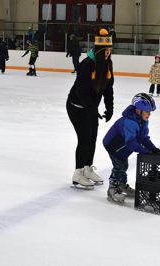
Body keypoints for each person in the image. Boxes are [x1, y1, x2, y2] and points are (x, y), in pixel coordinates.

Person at [66, 29, 114, 189]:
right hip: (76, 107)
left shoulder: (107, 64)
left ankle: (87, 168)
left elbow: (108, 88)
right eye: (106, 52)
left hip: (91, 108)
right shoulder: (86, 65)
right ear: (100, 51)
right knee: (85, 137)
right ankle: (78, 173)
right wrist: (92, 109)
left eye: (110, 51)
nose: (108, 55)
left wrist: (109, 108)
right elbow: (81, 92)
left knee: (92, 137)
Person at [103, 93, 159, 203]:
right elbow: (131, 143)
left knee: (124, 165)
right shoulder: (129, 122)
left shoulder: (143, 121)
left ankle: (122, 185)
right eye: (147, 112)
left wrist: (152, 148)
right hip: (114, 146)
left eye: (150, 112)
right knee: (119, 167)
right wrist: (145, 152)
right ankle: (112, 188)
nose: (149, 115)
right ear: (138, 110)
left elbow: (143, 138)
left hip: (123, 147)